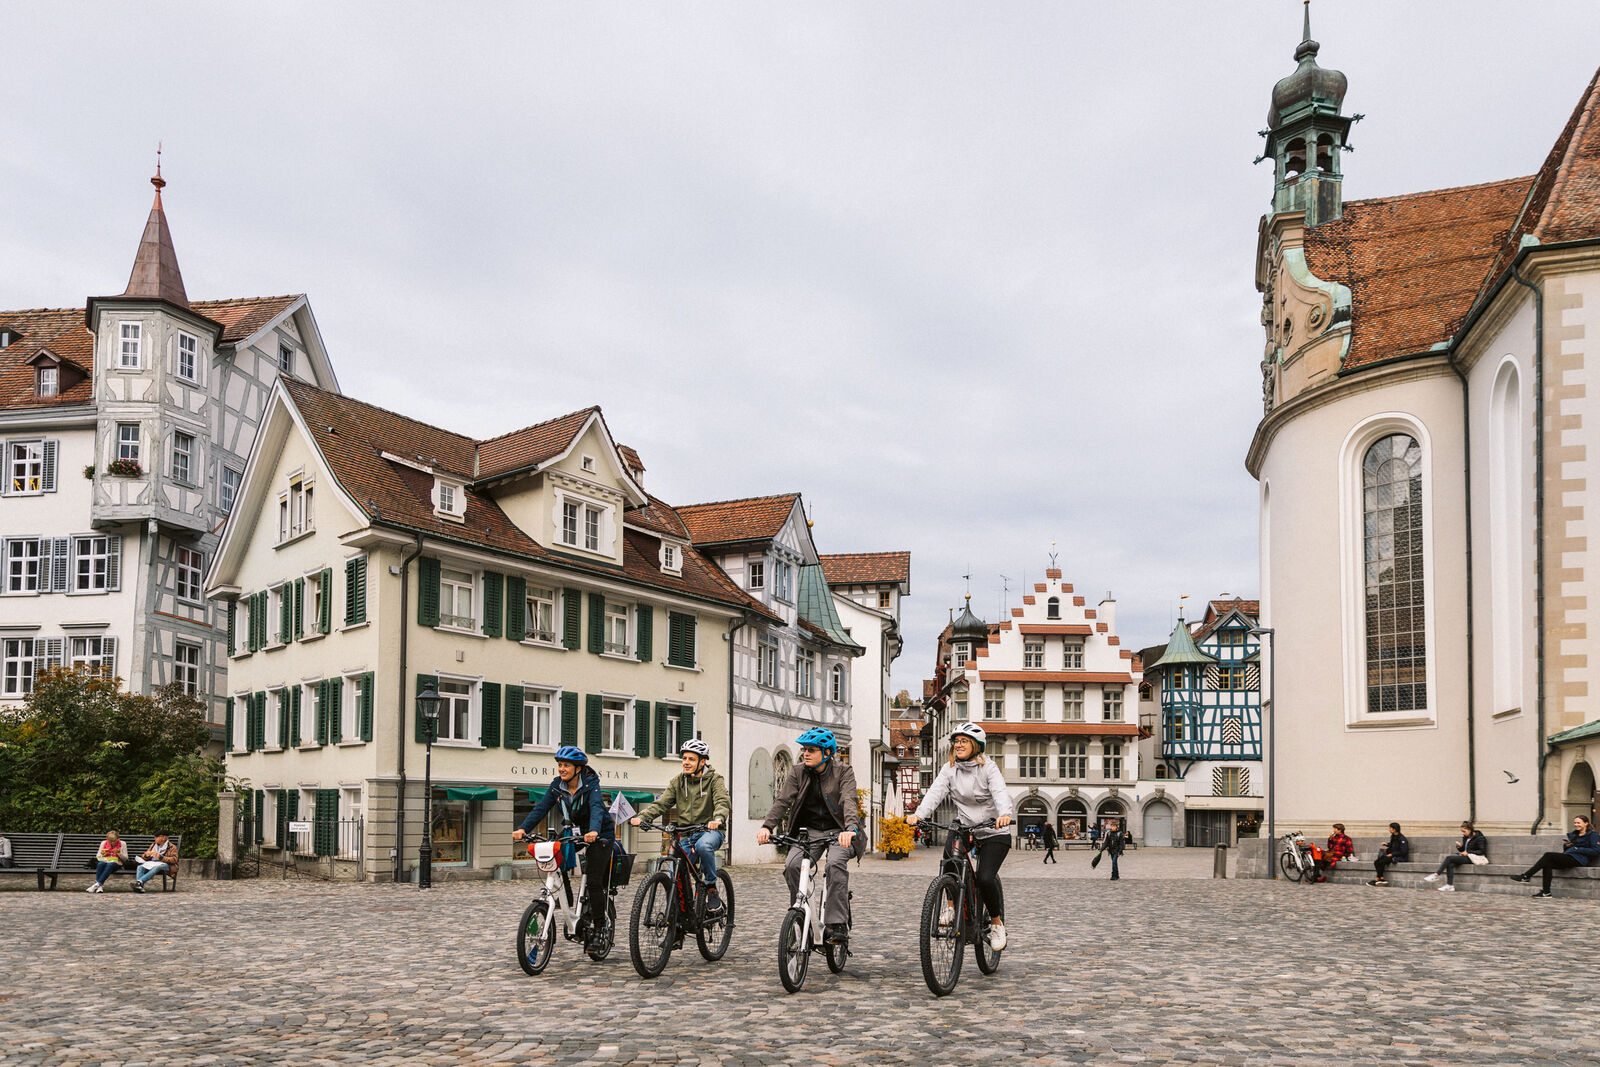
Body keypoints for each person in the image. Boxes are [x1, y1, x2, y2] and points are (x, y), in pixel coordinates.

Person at [906, 723, 1014, 950]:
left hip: (994, 830)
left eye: (964, 741)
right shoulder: (949, 769)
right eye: (956, 741)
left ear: (976, 745)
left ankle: (996, 923)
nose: (958, 745)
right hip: (966, 826)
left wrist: (1005, 814)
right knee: (950, 860)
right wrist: (918, 815)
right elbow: (935, 792)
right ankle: (951, 905)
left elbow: (1000, 792)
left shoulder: (989, 768)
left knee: (985, 877)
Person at [758, 727, 860, 946]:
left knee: (834, 864)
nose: (805, 754)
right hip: (809, 832)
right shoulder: (797, 772)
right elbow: (783, 801)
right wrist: (768, 826)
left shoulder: (843, 772)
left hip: (839, 831)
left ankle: (837, 923)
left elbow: (849, 800)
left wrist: (850, 829)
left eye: (811, 750)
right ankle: (801, 913)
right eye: (804, 749)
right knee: (792, 865)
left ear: (826, 753)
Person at [515, 746, 617, 948]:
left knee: (594, 882)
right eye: (560, 765)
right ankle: (567, 896)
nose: (562, 769)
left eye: (566, 765)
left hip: (600, 834)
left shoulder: (591, 784)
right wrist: (523, 828)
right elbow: (542, 807)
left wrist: (595, 831)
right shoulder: (557, 786)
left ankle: (599, 929)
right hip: (575, 831)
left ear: (578, 768)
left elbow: (597, 807)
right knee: (555, 855)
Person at [631, 737, 732, 918]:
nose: (686, 762)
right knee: (674, 873)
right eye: (684, 758)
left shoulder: (715, 780)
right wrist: (643, 816)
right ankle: (677, 922)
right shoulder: (678, 782)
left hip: (711, 831)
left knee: (704, 846)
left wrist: (718, 818)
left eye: (691, 759)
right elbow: (662, 803)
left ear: (703, 761)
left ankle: (711, 887)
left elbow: (722, 802)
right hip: (686, 834)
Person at [1511, 814, 1600, 898]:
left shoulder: (1593, 835)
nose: (1576, 825)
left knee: (1548, 855)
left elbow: (1596, 850)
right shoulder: (1574, 834)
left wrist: (1577, 849)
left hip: (1580, 860)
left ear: (1586, 823)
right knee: (1547, 863)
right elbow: (1569, 850)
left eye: (1578, 823)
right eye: (1575, 823)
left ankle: (1526, 876)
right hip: (1569, 857)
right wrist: (1566, 846)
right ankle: (1546, 892)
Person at [1424, 821, 1488, 891]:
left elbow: (1482, 851)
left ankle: (1436, 875)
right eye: (1462, 832)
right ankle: (1450, 885)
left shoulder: (1480, 838)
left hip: (1474, 858)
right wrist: (1460, 847)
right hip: (1466, 856)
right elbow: (1464, 850)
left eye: (1464, 831)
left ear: (1470, 830)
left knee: (1449, 858)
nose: (1463, 833)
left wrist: (1468, 852)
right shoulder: (1466, 837)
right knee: (1450, 864)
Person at [1367, 822, 1410, 886]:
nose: (1389, 829)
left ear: (1394, 829)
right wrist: (1387, 844)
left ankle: (1378, 879)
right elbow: (1393, 845)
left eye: (1390, 828)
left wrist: (1392, 854)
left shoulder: (1402, 838)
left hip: (1399, 857)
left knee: (1380, 861)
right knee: (1377, 861)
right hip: (1392, 855)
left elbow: (1404, 851)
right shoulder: (1393, 836)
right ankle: (1380, 879)